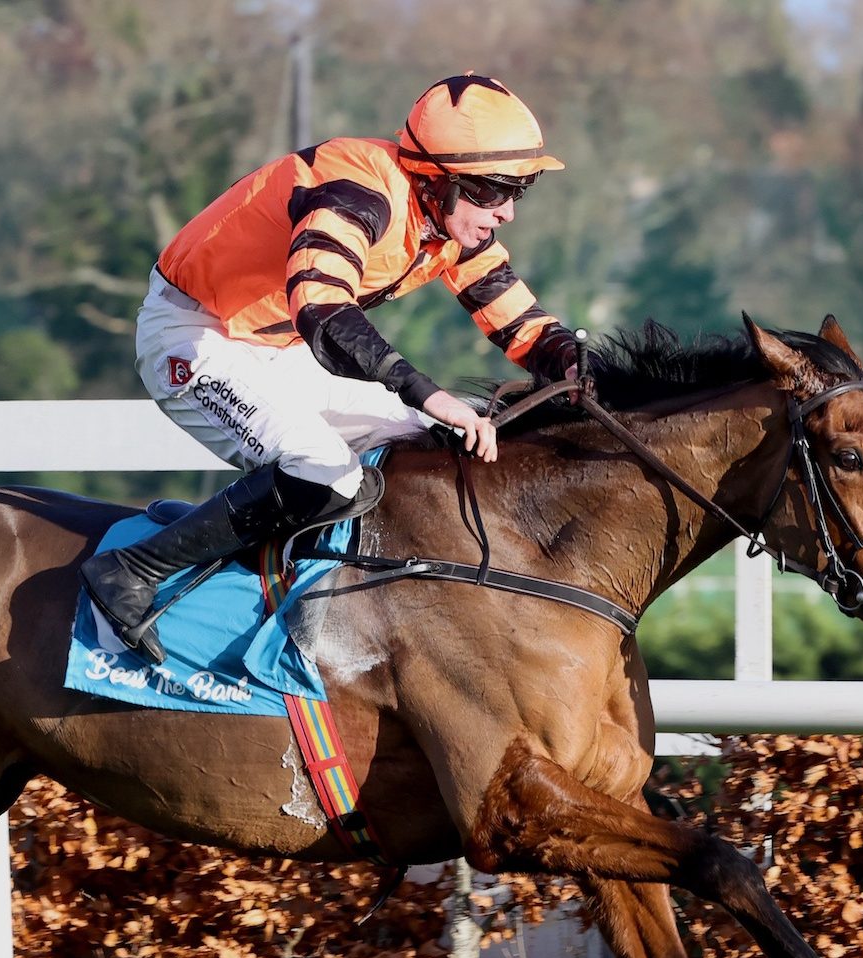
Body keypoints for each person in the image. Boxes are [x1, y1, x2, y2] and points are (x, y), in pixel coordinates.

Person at [82, 72, 586, 666]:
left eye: (516, 192)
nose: (503, 212)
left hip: (279, 347)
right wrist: (429, 393)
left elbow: (520, 322)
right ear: (436, 180)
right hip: (196, 335)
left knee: (425, 448)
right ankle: (134, 568)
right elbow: (322, 312)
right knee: (327, 474)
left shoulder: (446, 220)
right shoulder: (354, 193)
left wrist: (584, 369)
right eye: (490, 192)